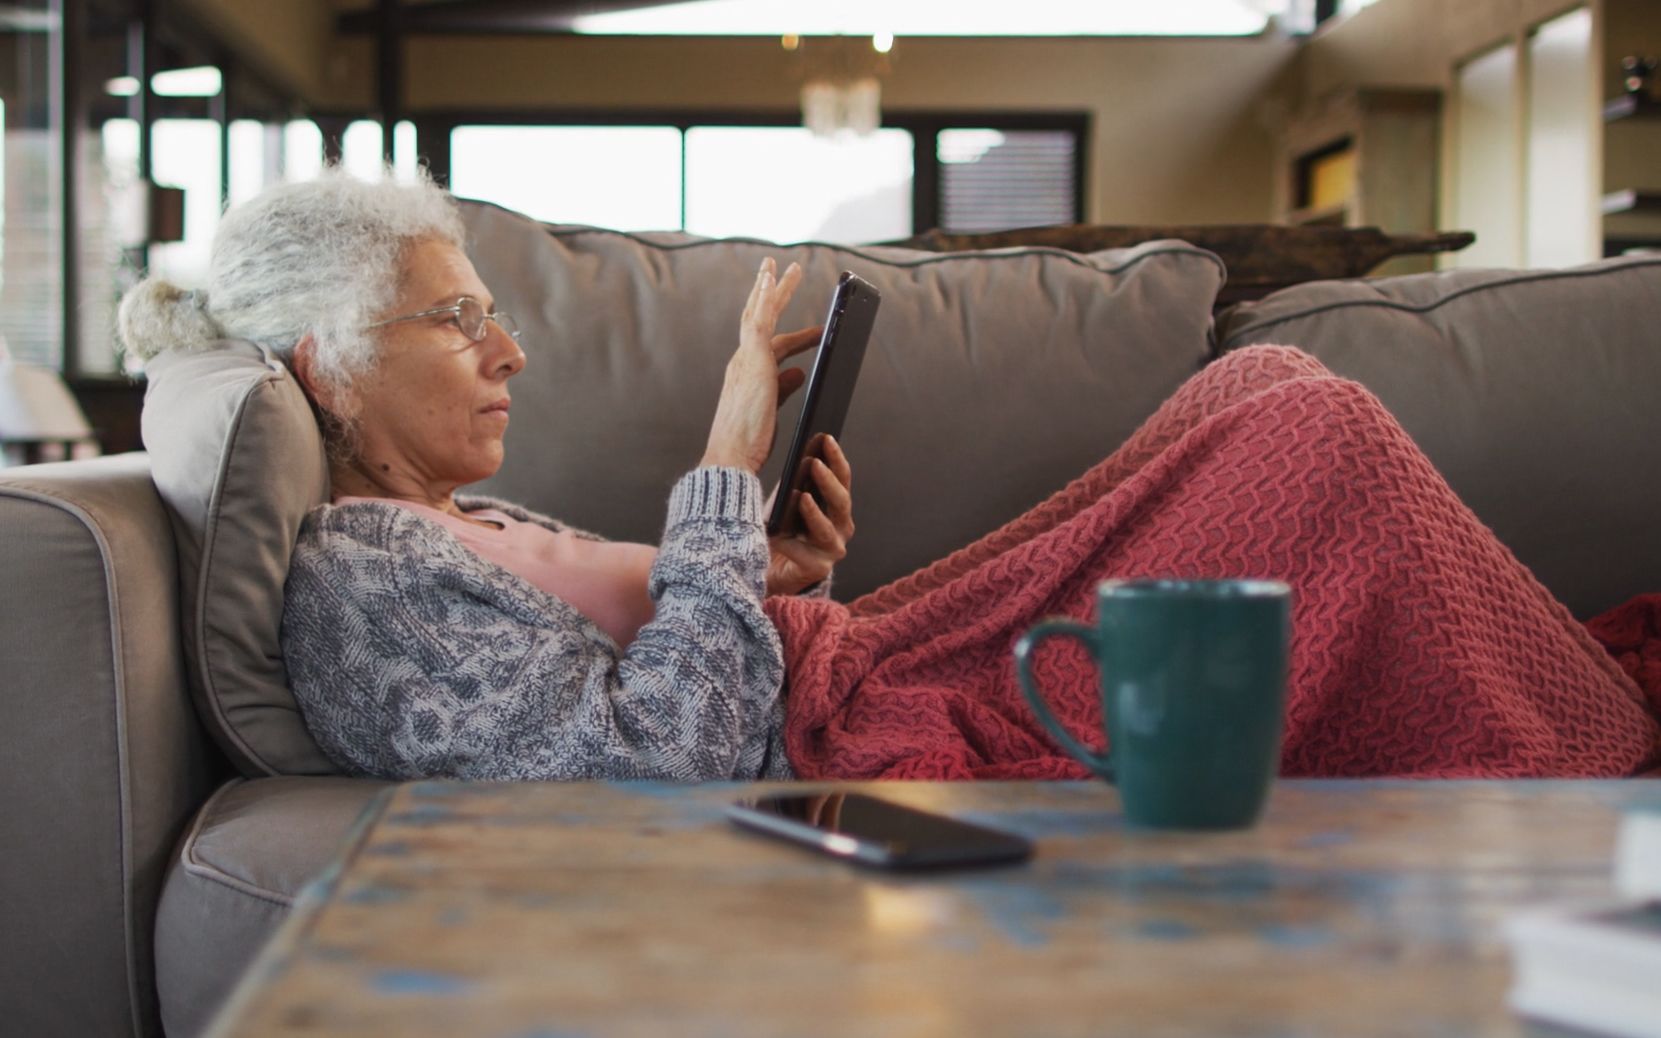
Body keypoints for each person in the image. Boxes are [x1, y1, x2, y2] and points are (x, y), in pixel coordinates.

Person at [118, 169, 1661, 783]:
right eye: (457, 321)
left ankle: (1577, 706)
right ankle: (1594, 745)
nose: (508, 352)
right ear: (320, 364)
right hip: (867, 718)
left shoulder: (439, 527)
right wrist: (725, 467)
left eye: (496, 314)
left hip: (858, 653)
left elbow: (671, 652)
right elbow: (664, 765)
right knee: (1302, 436)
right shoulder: (359, 580)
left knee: (1272, 390)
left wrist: (770, 573)